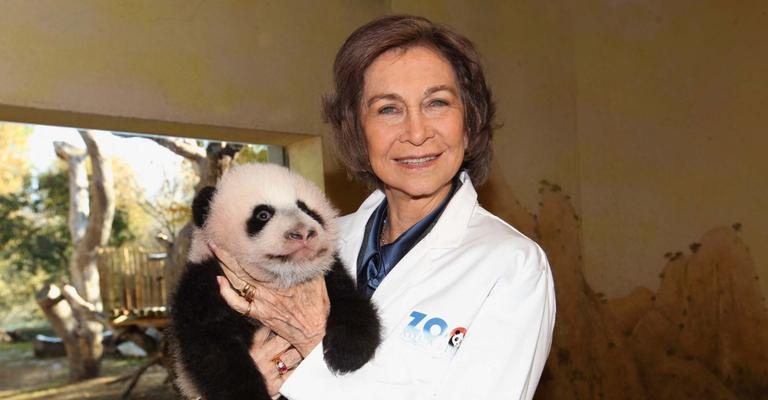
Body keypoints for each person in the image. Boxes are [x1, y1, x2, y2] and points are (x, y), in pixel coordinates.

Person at [214, 14, 555, 400]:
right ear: (356, 129)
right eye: (388, 109)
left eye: (437, 103)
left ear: (470, 122)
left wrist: (314, 340)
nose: (416, 133)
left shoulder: (511, 266)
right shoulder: (312, 246)